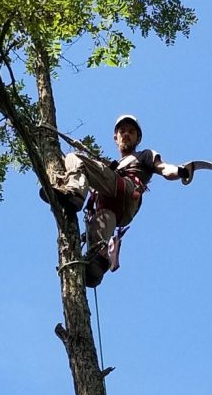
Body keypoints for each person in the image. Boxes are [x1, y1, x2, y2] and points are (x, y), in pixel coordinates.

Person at [51, 114, 185, 287]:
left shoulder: (144, 155)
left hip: (125, 190)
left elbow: (163, 168)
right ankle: (97, 263)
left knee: (74, 158)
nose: (126, 134)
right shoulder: (112, 165)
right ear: (116, 137)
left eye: (131, 131)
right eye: (122, 131)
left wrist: (180, 171)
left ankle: (74, 193)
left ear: (138, 138)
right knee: (99, 232)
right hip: (113, 210)